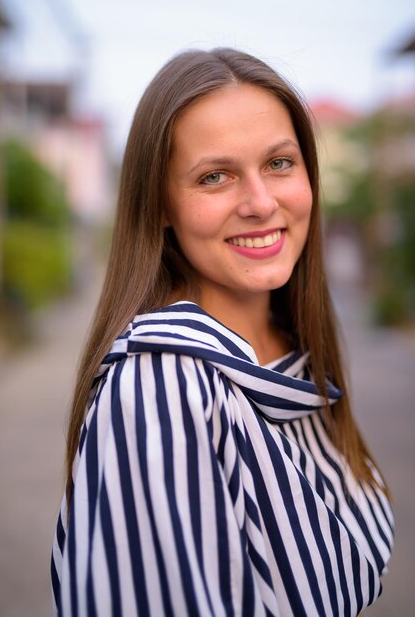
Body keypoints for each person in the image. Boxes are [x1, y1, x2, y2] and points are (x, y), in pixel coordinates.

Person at [51, 48, 393, 617]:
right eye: (215, 176)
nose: (261, 203)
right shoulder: (158, 394)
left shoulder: (299, 353)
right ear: (160, 205)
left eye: (280, 163)